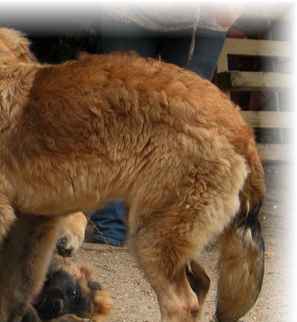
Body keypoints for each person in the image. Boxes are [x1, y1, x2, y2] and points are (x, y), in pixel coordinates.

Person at [90, 4, 245, 246]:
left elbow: (227, 15)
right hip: (127, 12)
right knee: (119, 115)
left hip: (202, 20)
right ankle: (109, 229)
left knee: (185, 125)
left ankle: (167, 233)